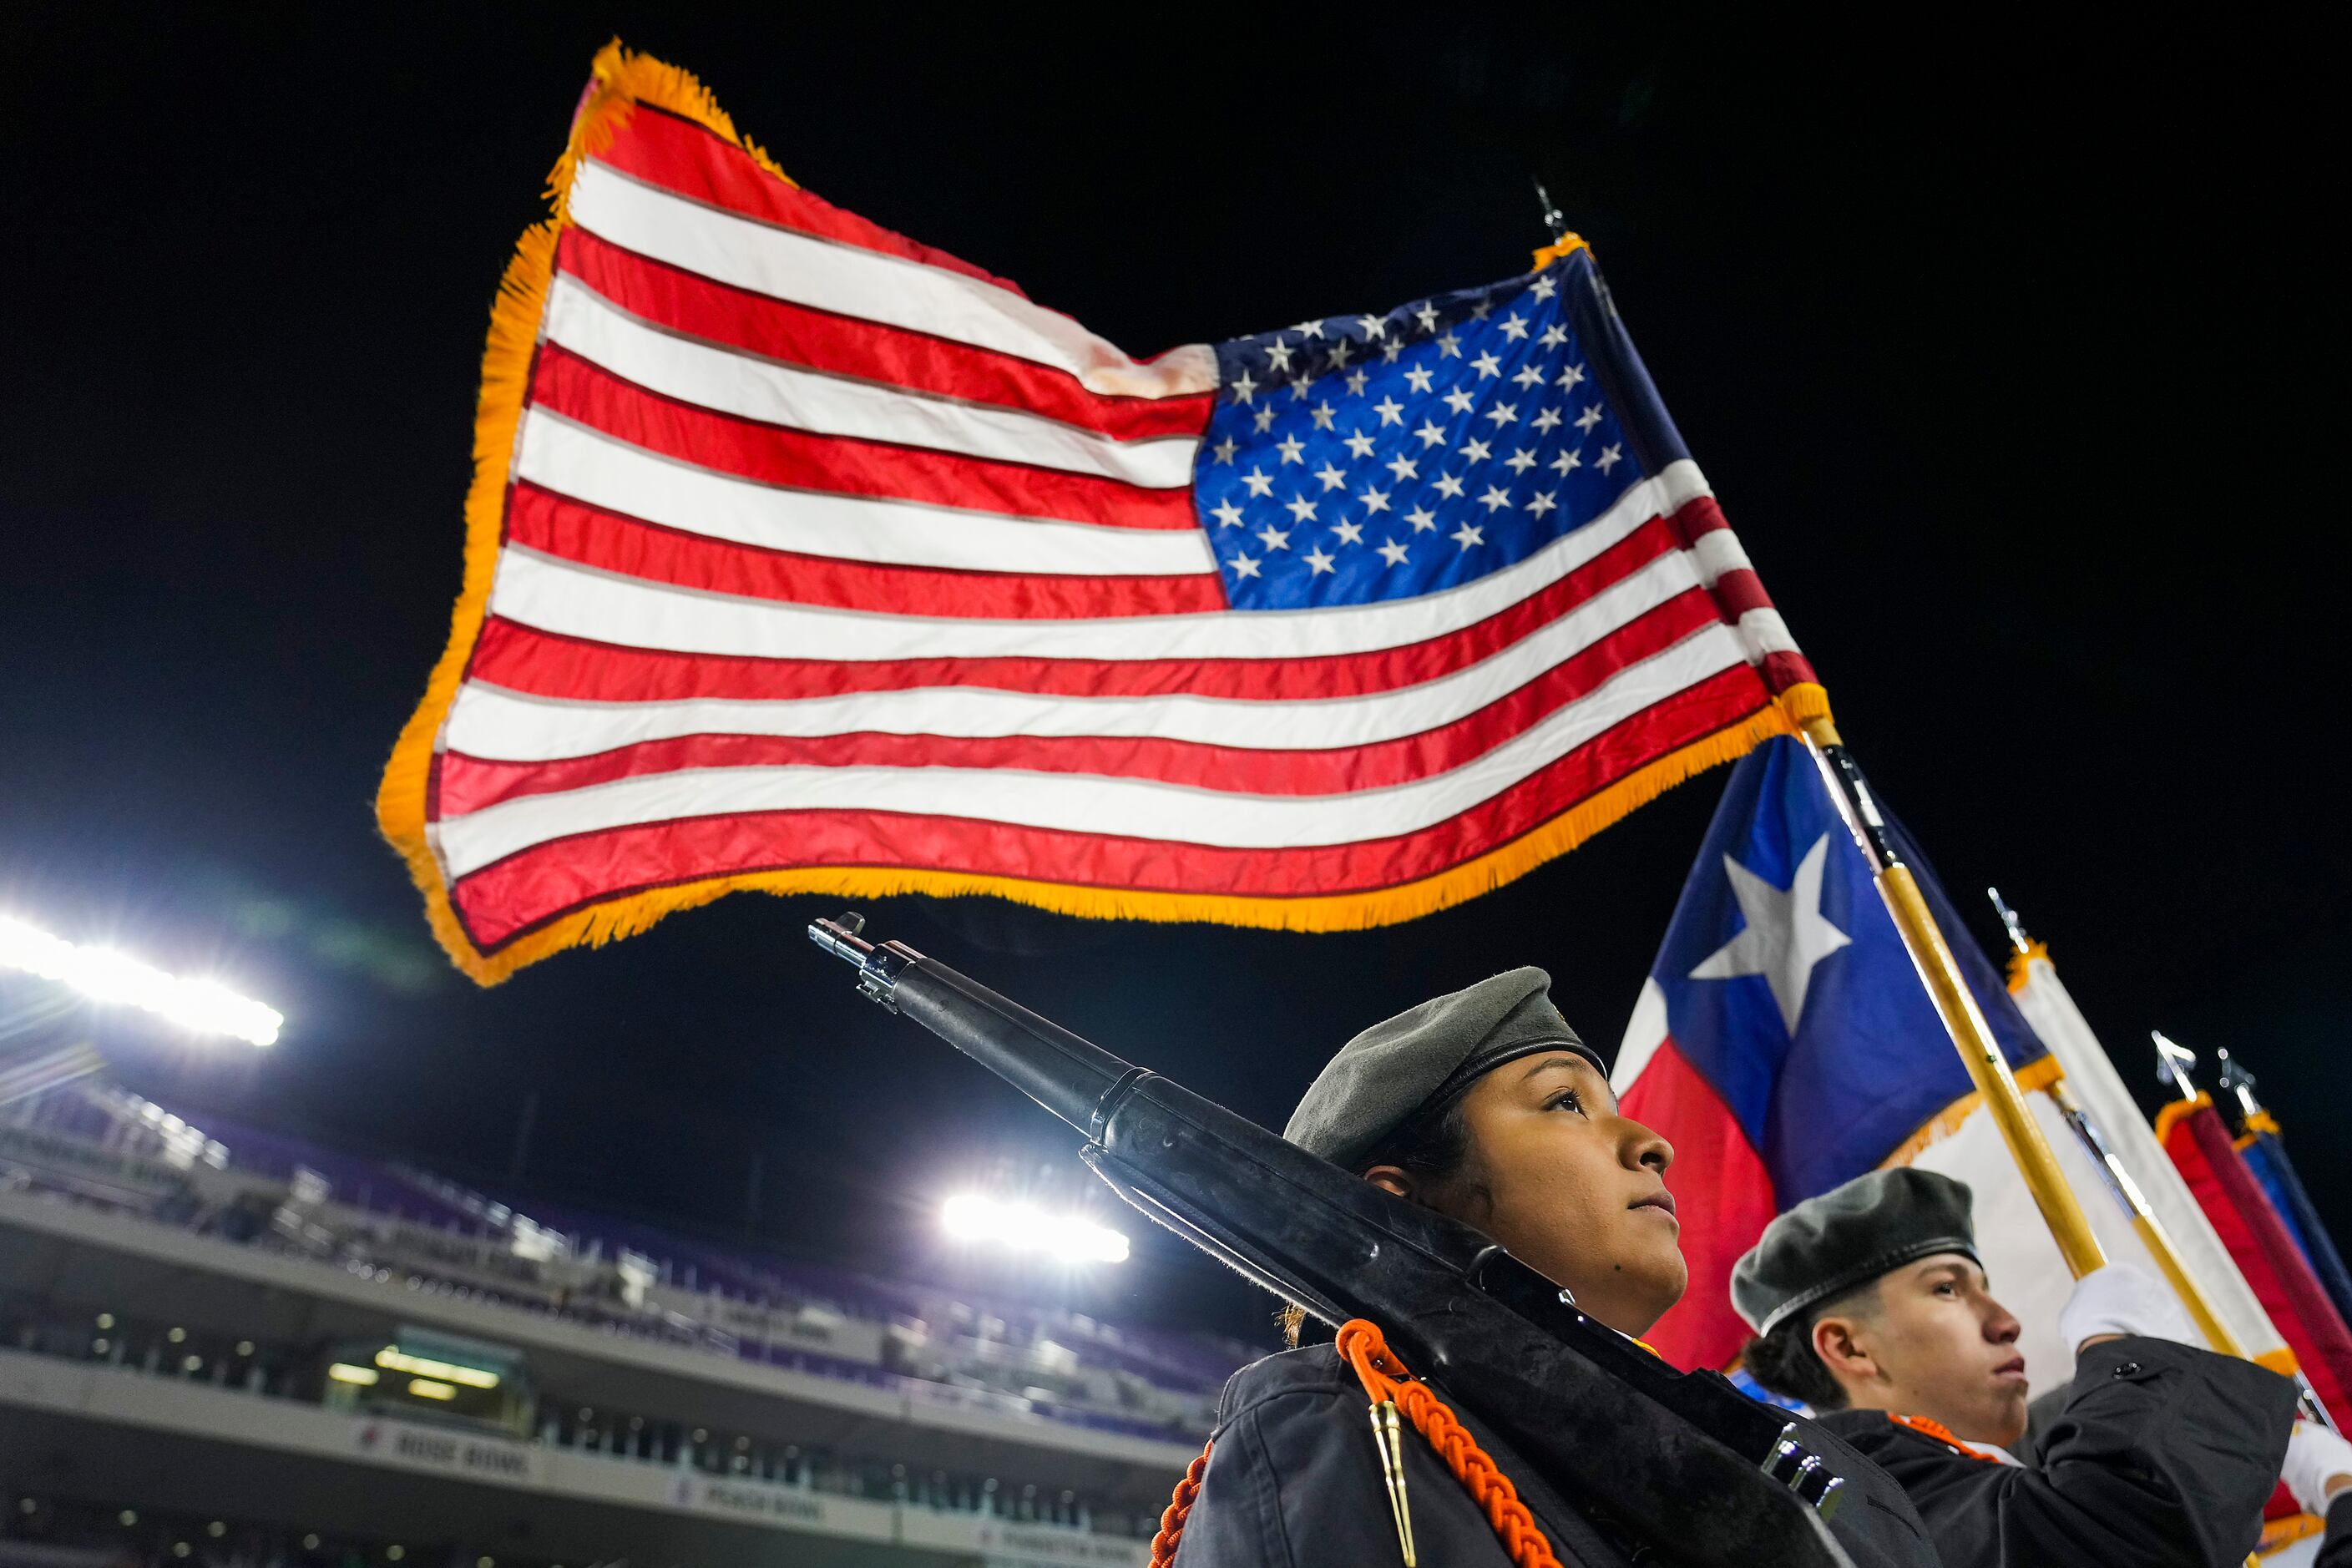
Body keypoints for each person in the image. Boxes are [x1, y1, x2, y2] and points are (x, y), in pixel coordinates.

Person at [1168, 968, 1939, 1568]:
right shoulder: (1346, 1436)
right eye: (1565, 1104)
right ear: (1405, 1212)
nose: (1650, 1143)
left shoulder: (1807, 1457)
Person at [1732, 1166, 2302, 1567]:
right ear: (1849, 1349)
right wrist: (2122, 1351)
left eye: (1986, 1289)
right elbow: (2129, 1540)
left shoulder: (1929, 1480)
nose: (2005, 1321)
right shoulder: (1854, 1495)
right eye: (1947, 1289)